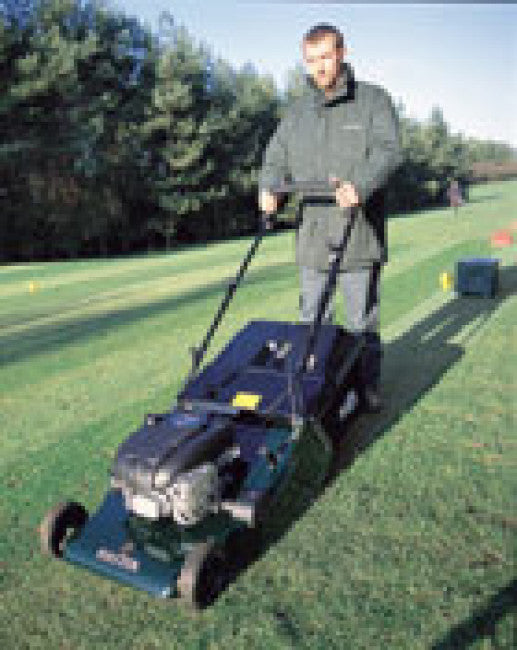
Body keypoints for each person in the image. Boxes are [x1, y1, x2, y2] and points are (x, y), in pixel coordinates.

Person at [258, 23, 402, 412]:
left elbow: (389, 152)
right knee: (311, 321)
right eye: (311, 60)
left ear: (342, 53)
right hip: (312, 237)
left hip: (358, 234)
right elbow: (274, 159)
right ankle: (312, 391)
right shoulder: (296, 113)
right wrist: (268, 187)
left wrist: (360, 184)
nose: (320, 67)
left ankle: (366, 387)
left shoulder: (373, 101)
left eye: (326, 57)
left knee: (359, 324)